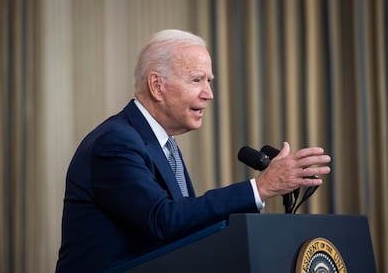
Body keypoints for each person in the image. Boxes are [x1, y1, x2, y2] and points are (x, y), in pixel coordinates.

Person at [55, 29, 331, 272]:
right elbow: (164, 220)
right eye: (197, 80)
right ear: (157, 85)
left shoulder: (162, 143)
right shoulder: (115, 142)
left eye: (209, 81)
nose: (209, 93)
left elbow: (186, 230)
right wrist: (260, 188)